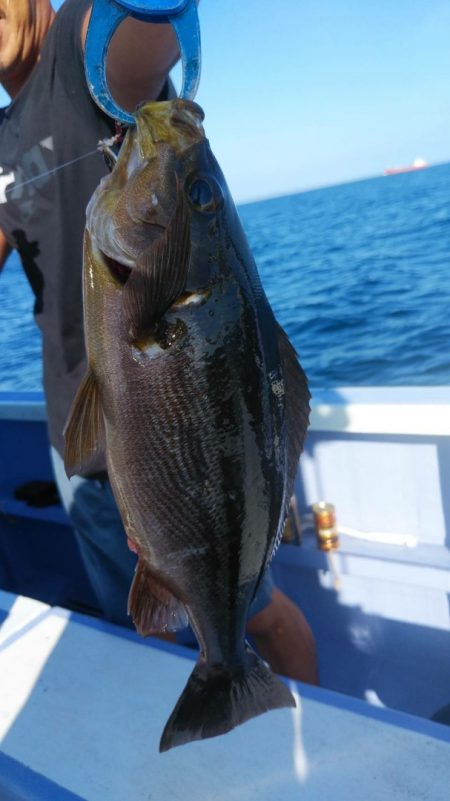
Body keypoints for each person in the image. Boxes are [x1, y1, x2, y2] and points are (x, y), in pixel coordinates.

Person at [0, 0, 318, 685]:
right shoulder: (3, 137)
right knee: (134, 639)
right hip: (82, 443)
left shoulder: (81, 45)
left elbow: (144, 33)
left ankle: (299, 744)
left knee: (259, 614)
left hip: (186, 440)